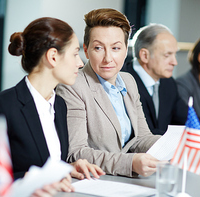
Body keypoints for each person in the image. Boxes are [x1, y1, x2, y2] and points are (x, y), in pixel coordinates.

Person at [0, 17, 104, 193]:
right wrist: (31, 183)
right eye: (75, 53)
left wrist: (68, 167)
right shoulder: (0, 106)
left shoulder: (59, 105)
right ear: (53, 57)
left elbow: (45, 162)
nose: (80, 63)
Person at [56, 8, 161, 178]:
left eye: (116, 48)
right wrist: (130, 163)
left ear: (126, 50)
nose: (108, 58)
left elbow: (142, 138)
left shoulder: (129, 81)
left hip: (130, 181)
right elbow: (76, 152)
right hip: (98, 180)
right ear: (86, 49)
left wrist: (179, 143)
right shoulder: (73, 86)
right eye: (98, 48)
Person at [122, 24, 189, 135]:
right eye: (167, 55)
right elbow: (144, 134)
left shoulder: (168, 83)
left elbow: (187, 118)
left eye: (175, 54)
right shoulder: (122, 82)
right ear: (144, 56)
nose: (174, 62)